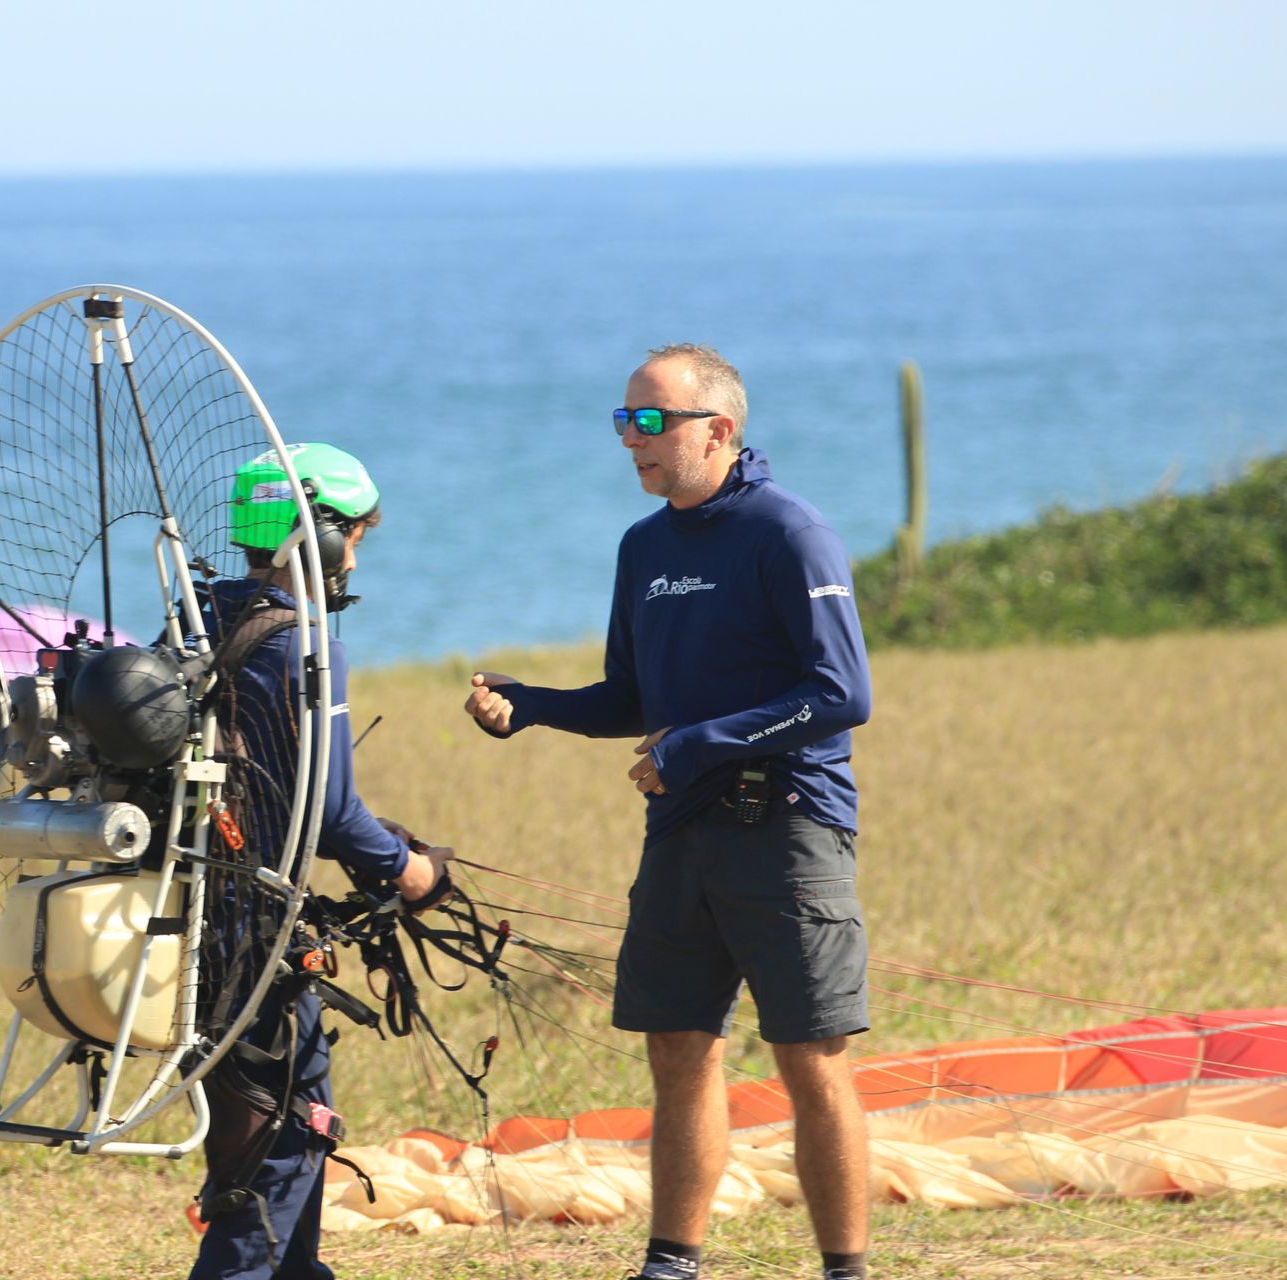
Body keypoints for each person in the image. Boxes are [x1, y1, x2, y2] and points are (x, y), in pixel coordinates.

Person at [462, 345, 874, 1280]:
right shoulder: (643, 547)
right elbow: (633, 700)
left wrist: (698, 744)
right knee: (680, 1053)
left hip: (790, 829)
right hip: (681, 833)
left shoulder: (789, 534)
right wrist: (532, 705)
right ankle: (671, 1263)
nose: (632, 440)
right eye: (624, 421)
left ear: (718, 430)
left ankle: (845, 1270)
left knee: (812, 1062)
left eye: (652, 421)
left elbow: (841, 693)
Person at [191, 441, 452, 1280]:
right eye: (359, 539)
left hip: (190, 929)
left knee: (290, 1125)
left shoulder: (197, 619)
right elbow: (332, 814)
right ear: (326, 540)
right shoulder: (302, 646)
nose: (355, 560)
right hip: (251, 936)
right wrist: (410, 871)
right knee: (269, 1154)